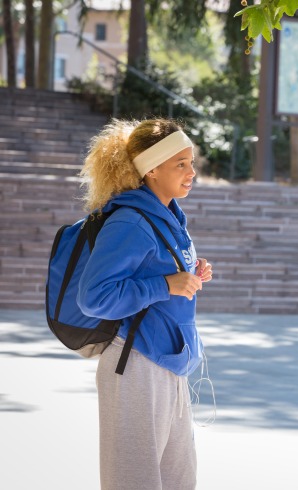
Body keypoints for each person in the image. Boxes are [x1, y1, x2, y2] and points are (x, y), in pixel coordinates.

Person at [76, 118, 213, 490]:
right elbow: (94, 296)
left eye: (191, 162)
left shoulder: (168, 216)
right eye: (180, 164)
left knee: (178, 482)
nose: (192, 172)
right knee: (134, 482)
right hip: (135, 364)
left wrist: (189, 271)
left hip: (171, 362)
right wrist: (165, 284)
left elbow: (154, 271)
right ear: (151, 169)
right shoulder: (131, 221)